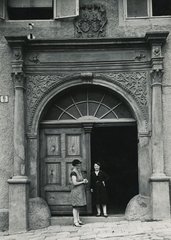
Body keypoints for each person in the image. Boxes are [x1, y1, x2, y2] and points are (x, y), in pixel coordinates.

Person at [70, 159, 88, 227]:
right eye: (78, 164)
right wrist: (82, 182)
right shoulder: (73, 173)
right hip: (76, 192)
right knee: (75, 206)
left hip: (80, 191)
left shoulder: (79, 172)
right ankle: (75, 221)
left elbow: (79, 180)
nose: (79, 166)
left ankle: (78, 220)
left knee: (78, 207)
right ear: (76, 165)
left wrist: (84, 180)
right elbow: (74, 183)